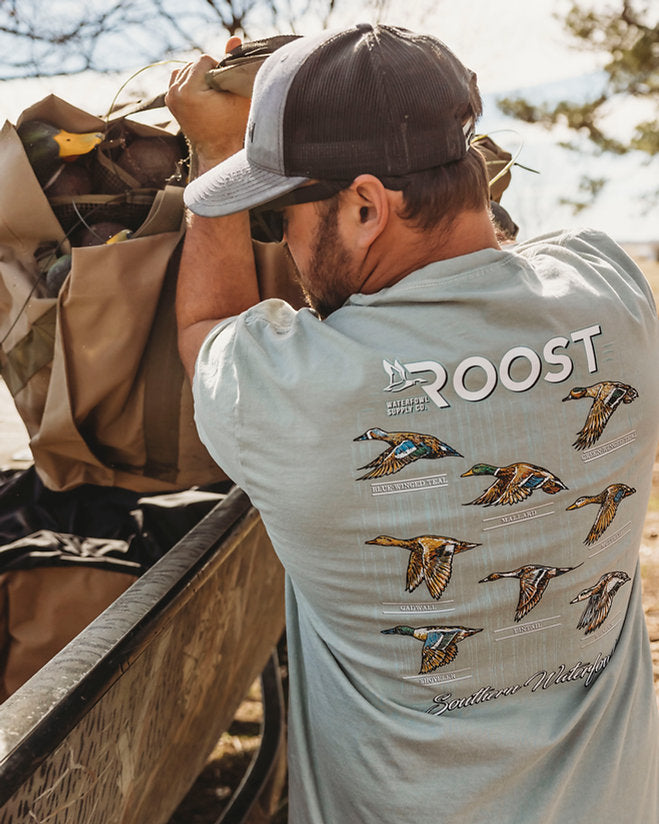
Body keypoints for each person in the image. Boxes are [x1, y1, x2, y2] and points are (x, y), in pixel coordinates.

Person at [166, 24, 659, 823]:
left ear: (365, 206)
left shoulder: (292, 391)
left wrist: (216, 143)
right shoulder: (614, 294)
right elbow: (498, 248)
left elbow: (204, 328)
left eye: (279, 214)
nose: (282, 241)